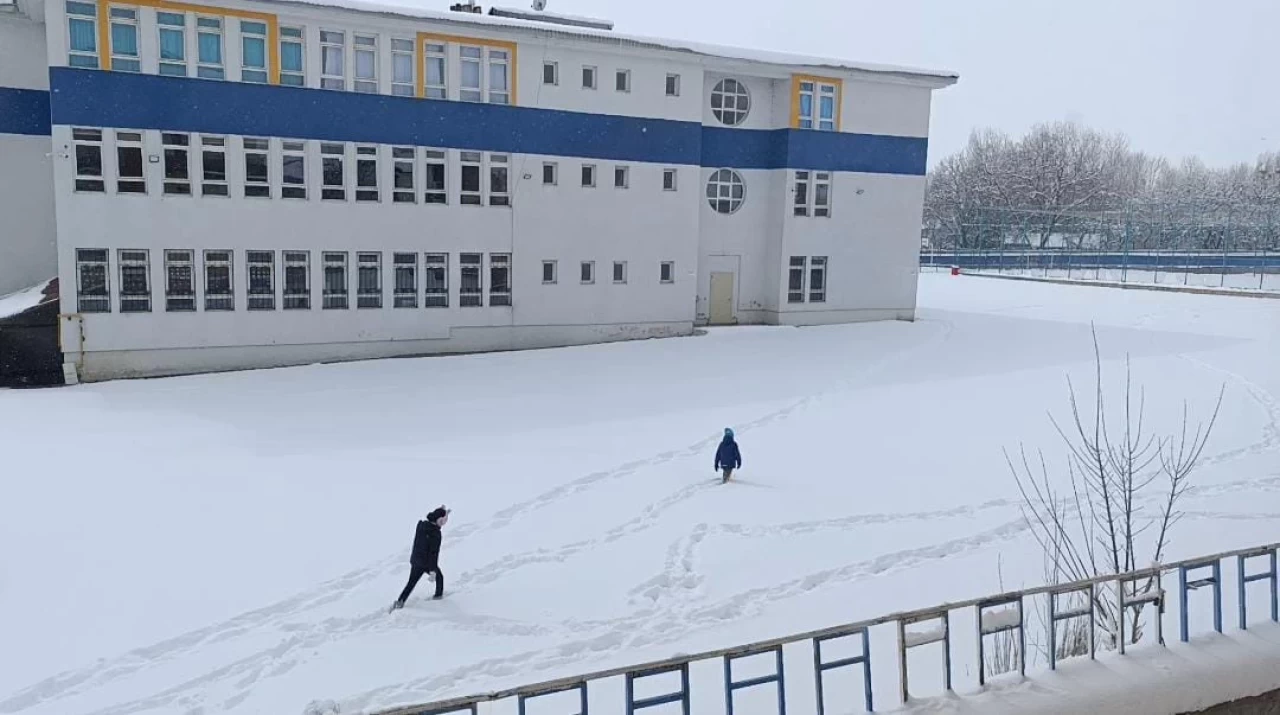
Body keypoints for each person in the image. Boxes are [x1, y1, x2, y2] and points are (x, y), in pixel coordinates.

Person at [390, 506, 450, 611]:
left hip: (416, 560)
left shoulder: (422, 526)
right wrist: (432, 570)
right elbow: (433, 554)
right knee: (439, 577)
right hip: (426, 563)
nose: (443, 524)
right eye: (443, 522)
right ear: (438, 520)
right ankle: (438, 599)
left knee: (411, 583)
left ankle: (400, 602)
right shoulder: (436, 534)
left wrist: (443, 512)